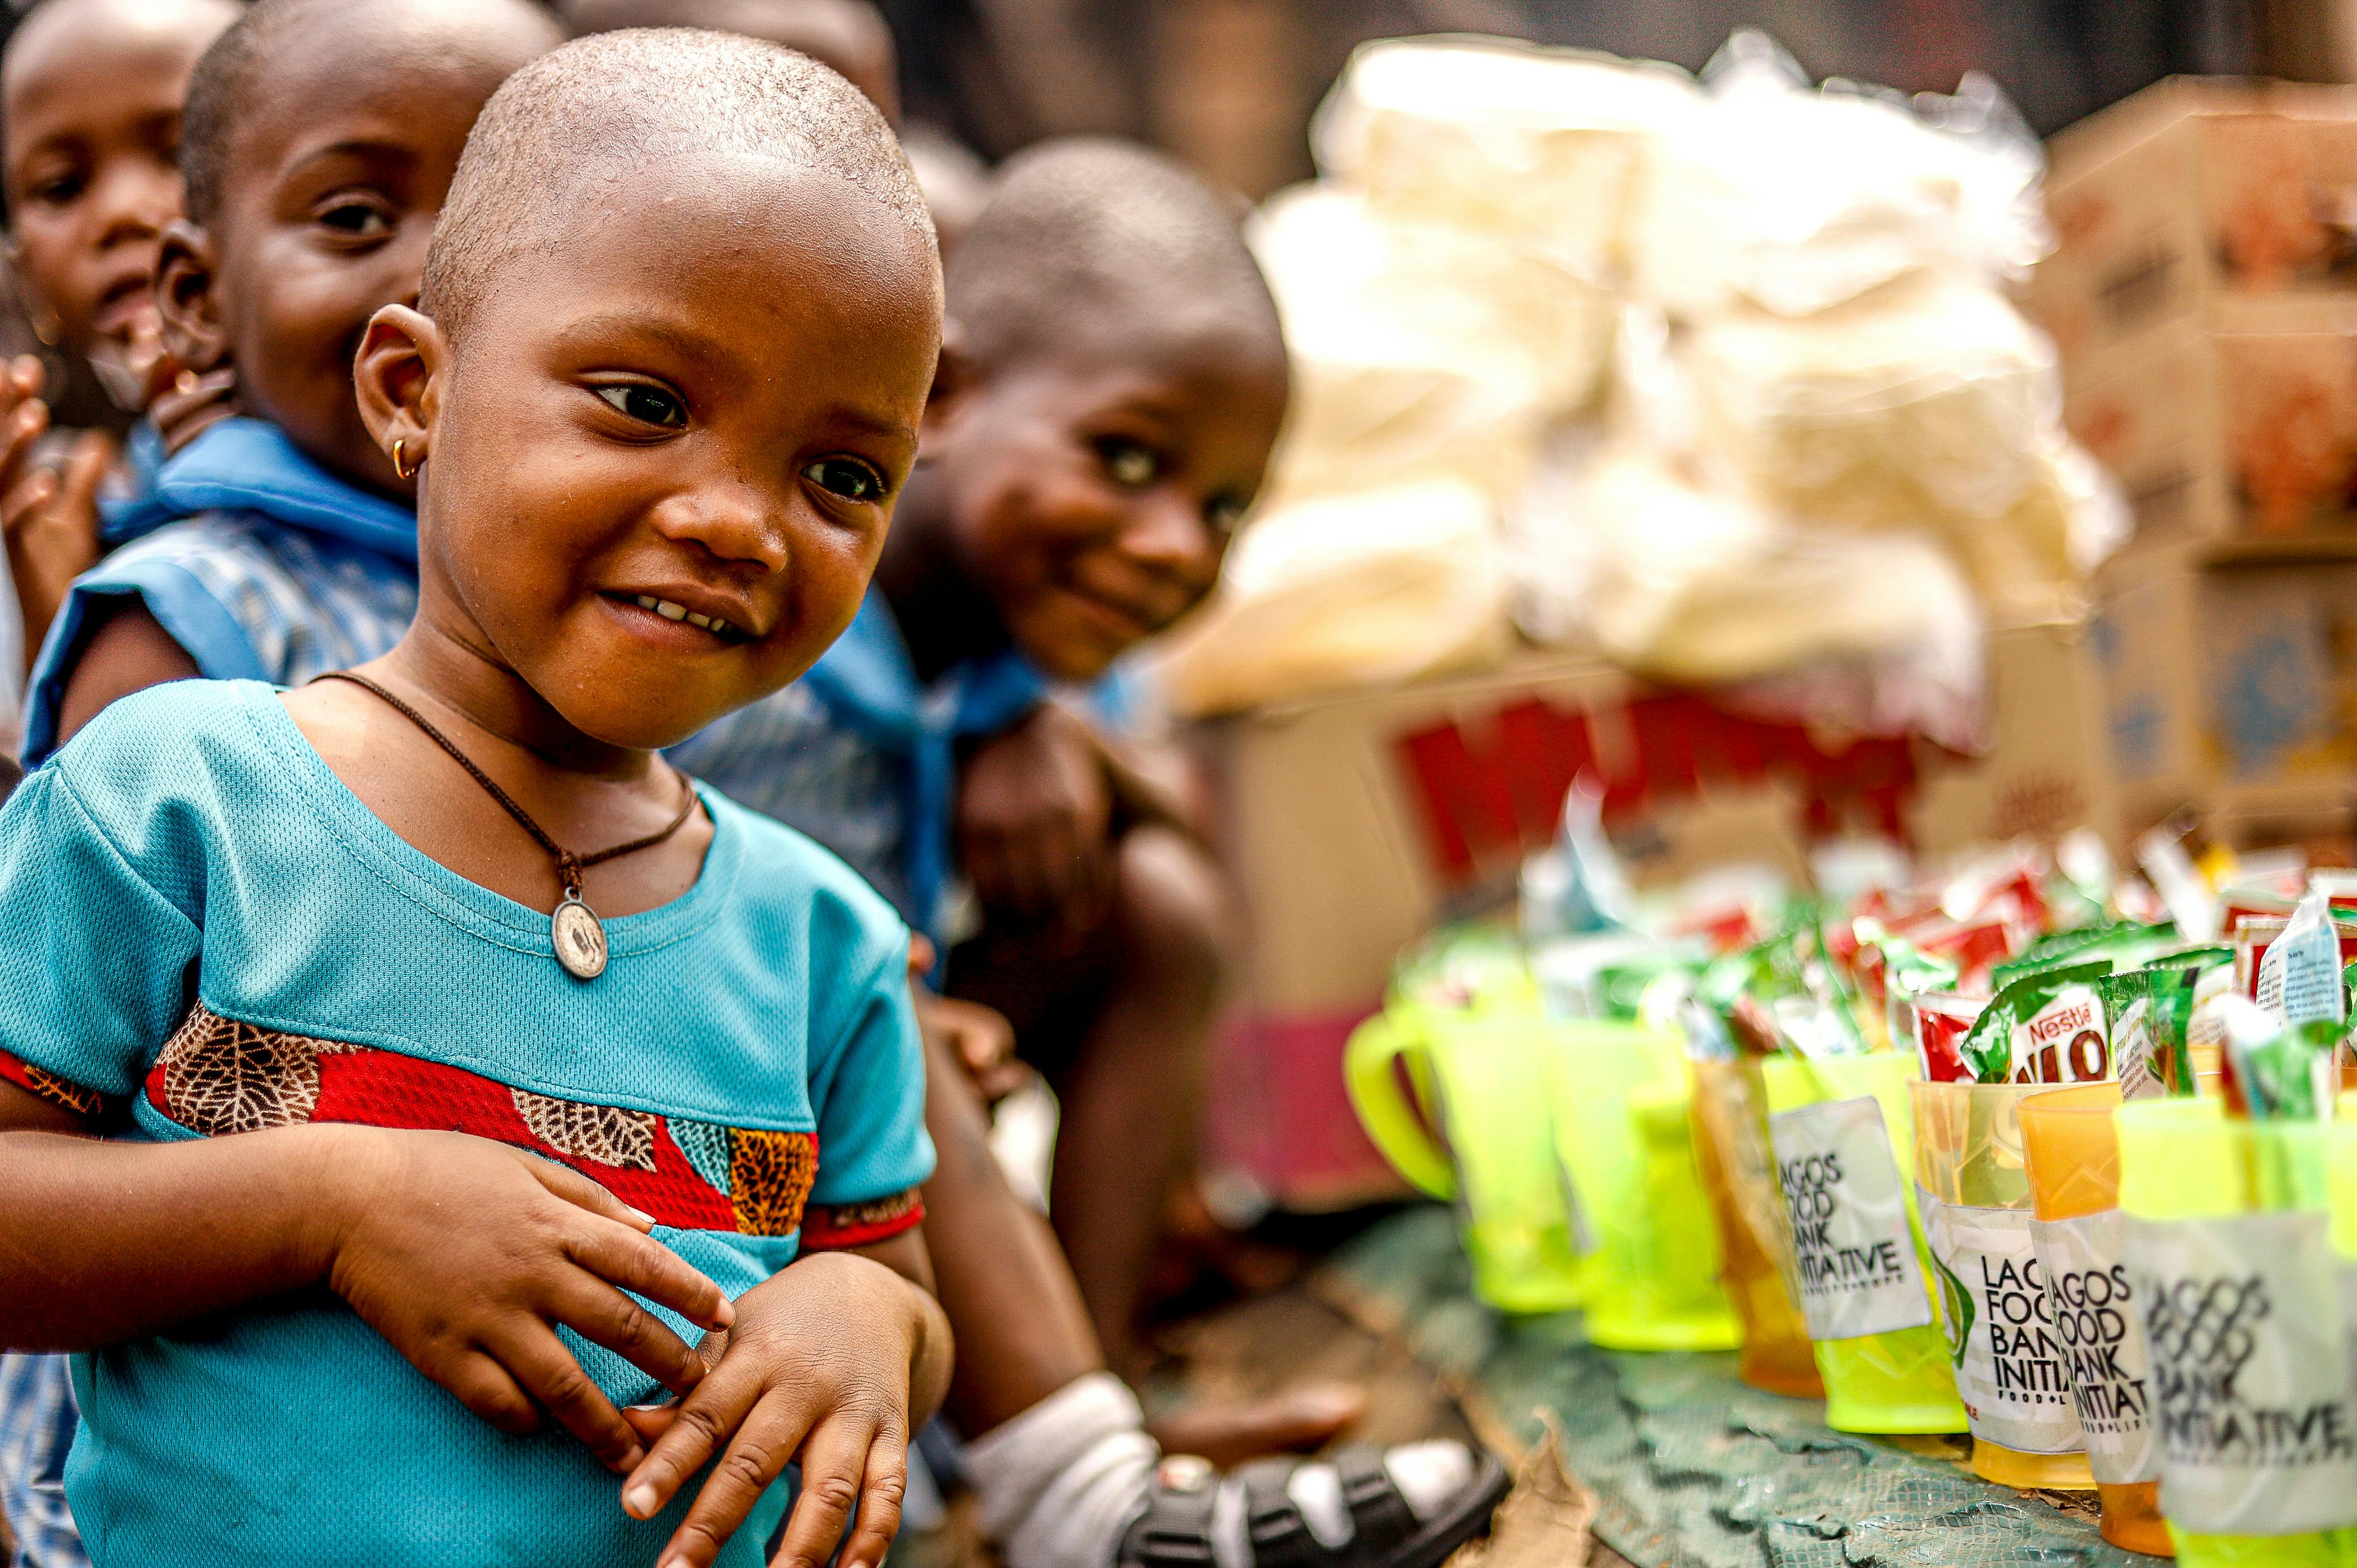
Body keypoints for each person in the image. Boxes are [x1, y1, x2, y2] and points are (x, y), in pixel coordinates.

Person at [0, 25, 955, 1568]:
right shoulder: (182, 801)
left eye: (841, 477)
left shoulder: (821, 946)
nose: (737, 521)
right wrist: (331, 1202)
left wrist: (867, 1320)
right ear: (411, 392)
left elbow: (902, 1294)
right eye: (645, 401)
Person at [670, 138, 1511, 1568]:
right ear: (946, 395)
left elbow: (1196, 849)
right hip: (707, 1123)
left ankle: (1091, 1406)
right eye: (1125, 459)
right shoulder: (778, 605)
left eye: (1226, 510)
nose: (1174, 542)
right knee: (874, 984)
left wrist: (1053, 726)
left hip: (883, 1117)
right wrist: (911, 1009)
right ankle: (1087, 1497)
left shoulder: (1038, 661)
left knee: (1157, 908)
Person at [0, 0, 239, 701]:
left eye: (177, 153)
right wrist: (60, 628)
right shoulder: (58, 515)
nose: (119, 214)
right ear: (24, 277)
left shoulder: (394, 447)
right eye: (61, 187)